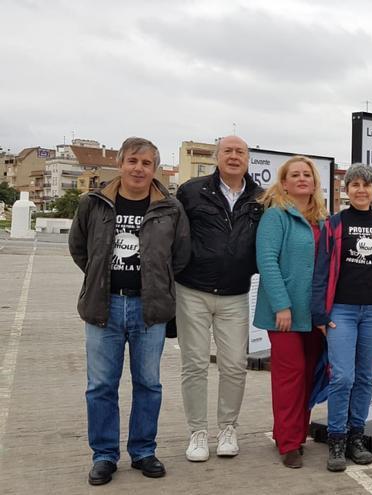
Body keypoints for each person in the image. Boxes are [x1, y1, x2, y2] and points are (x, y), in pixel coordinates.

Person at [69, 137, 190, 485]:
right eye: (133, 161)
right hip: (102, 308)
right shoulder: (93, 204)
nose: (139, 169)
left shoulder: (170, 208)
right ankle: (104, 456)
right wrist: (100, 279)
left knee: (148, 384)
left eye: (147, 163)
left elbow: (180, 257)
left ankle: (143, 451)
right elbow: (80, 249)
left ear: (155, 169)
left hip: (149, 309)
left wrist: (157, 284)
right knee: (101, 386)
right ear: (120, 164)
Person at [175, 135, 264, 461]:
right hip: (192, 291)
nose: (234, 156)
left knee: (234, 366)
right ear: (217, 156)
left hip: (235, 294)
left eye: (241, 151)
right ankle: (197, 432)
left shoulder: (261, 197)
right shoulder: (191, 191)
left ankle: (228, 429)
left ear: (248, 159)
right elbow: (175, 235)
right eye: (228, 150)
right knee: (194, 365)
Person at [311, 164, 372, 472]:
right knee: (342, 377)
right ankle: (337, 438)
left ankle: (356, 438)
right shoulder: (334, 224)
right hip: (342, 311)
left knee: (365, 376)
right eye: (355, 185)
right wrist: (320, 315)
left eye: (367, 184)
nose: (361, 190)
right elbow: (321, 270)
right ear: (346, 190)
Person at [253, 156, 327, 468]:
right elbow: (267, 261)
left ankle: (298, 433)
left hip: (314, 314)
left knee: (309, 375)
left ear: (314, 182)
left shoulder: (323, 219)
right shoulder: (276, 216)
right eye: (294, 175)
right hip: (284, 312)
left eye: (306, 174)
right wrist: (281, 304)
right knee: (290, 376)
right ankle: (288, 442)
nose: (301, 179)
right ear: (284, 183)